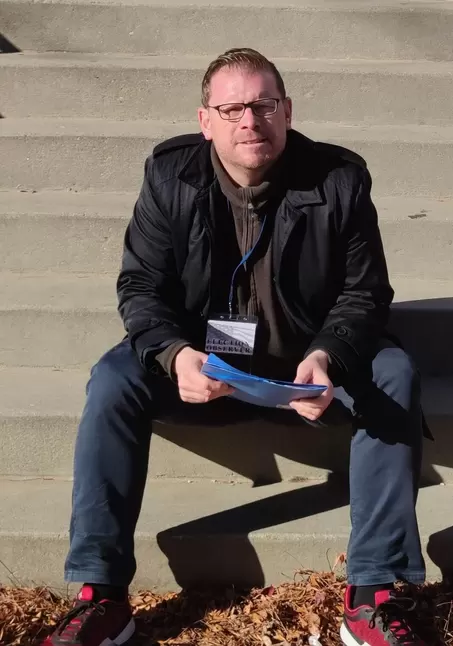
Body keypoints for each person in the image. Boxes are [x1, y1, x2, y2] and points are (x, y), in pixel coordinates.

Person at [41, 47, 428, 646]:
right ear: (206, 122)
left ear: (287, 111)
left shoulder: (339, 180)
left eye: (263, 105)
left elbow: (365, 294)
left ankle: (373, 592)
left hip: (307, 361)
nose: (250, 120)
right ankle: (101, 595)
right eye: (232, 108)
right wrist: (173, 354)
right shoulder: (171, 176)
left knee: (394, 372)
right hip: (205, 361)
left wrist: (328, 355)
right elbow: (140, 287)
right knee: (113, 378)